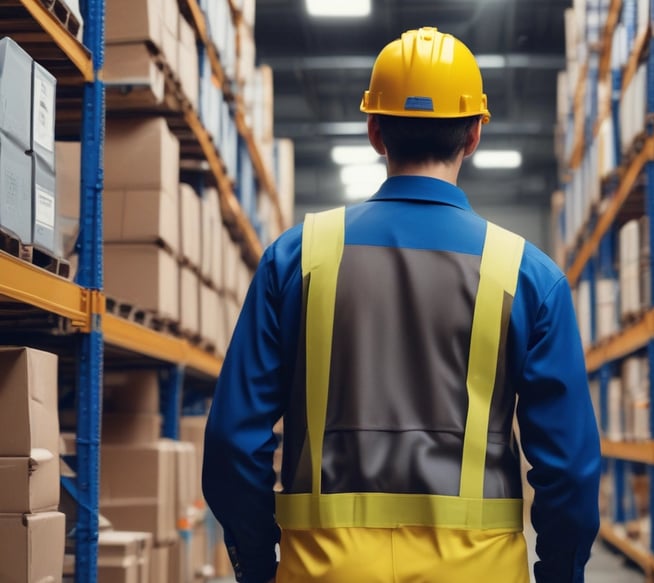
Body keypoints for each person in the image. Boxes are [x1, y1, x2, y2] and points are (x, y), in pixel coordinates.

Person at [203, 26, 601, 583]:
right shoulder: (527, 275)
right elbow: (570, 471)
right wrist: (561, 573)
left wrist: (258, 563)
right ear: (476, 134)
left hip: (322, 572)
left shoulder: (297, 260)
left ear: (374, 130)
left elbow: (230, 443)